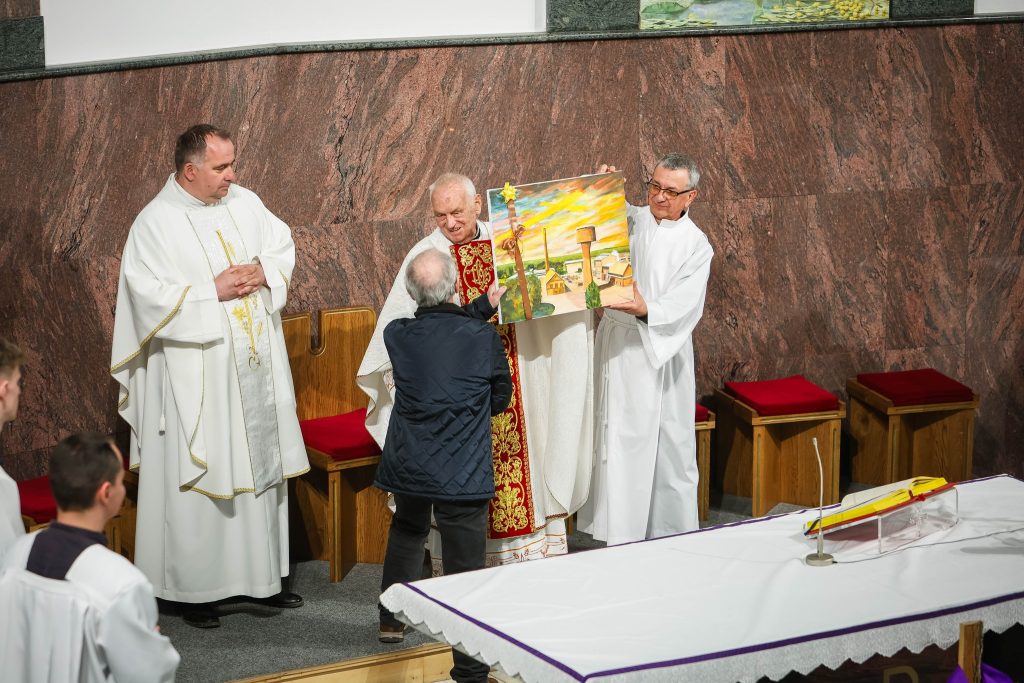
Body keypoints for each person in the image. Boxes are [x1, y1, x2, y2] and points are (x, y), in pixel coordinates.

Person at [110, 124, 309, 628]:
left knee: (255, 470)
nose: (232, 176)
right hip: (195, 379)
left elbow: (281, 244)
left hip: (252, 370)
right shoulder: (154, 224)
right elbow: (144, 298)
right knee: (203, 469)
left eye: (232, 164)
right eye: (221, 167)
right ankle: (194, 592)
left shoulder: (246, 202)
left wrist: (264, 271)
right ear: (189, 170)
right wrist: (210, 291)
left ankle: (263, 582)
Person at [357, 173, 594, 571]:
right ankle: (463, 585)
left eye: (457, 212)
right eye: (440, 215)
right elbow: (409, 328)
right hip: (457, 413)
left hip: (523, 367)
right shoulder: (427, 255)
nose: (449, 223)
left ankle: (522, 555)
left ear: (477, 206)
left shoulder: (511, 240)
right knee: (453, 516)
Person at [376, 249, 511, 683]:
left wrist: (481, 307)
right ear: (455, 285)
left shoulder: (397, 335)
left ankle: (391, 619)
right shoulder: (482, 338)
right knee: (464, 567)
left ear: (413, 293)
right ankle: (470, 672)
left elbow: (436, 330)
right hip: (463, 469)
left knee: (408, 531)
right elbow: (500, 398)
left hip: (411, 463)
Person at [577, 153, 714, 545]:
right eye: (654, 186)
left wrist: (646, 309)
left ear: (691, 196)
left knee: (665, 447)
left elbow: (686, 304)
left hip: (659, 353)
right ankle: (615, 531)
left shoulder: (696, 245)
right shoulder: (633, 218)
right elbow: (600, 219)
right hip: (617, 347)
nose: (659, 196)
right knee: (614, 440)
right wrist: (602, 187)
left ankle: (668, 536)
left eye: (671, 191)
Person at [0, 432, 180, 682]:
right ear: (106, 493)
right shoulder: (122, 583)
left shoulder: (16, 554)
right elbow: (150, 674)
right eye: (120, 481)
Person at [0, 338, 26, 563]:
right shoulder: (3, 486)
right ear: (4, 388)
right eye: (19, 383)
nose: (19, 391)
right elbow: (10, 566)